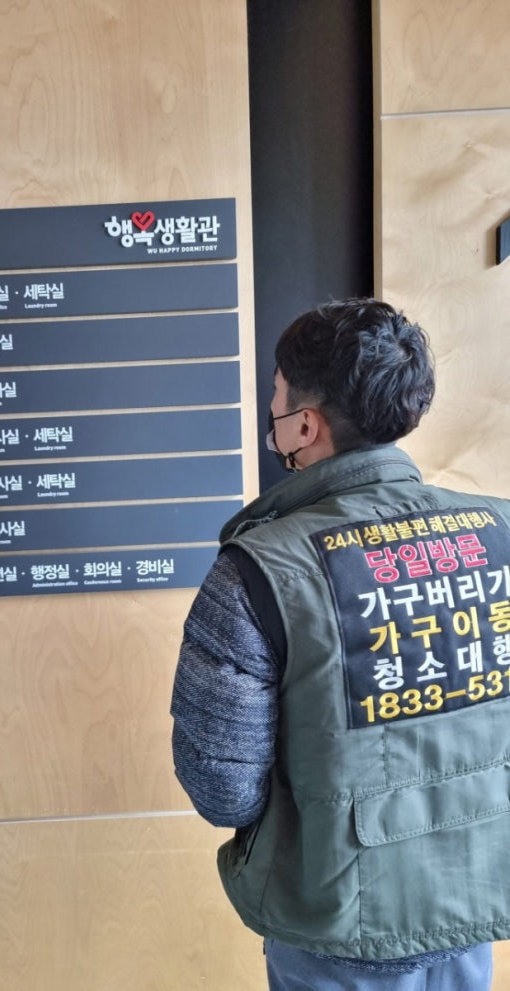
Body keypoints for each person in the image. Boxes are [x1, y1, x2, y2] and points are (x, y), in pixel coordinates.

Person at [171, 298, 510, 990]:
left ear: (304, 422)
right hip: (474, 897)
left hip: (335, 925)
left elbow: (222, 791)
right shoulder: (500, 532)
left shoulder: (257, 569)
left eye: (275, 393)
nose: (272, 410)